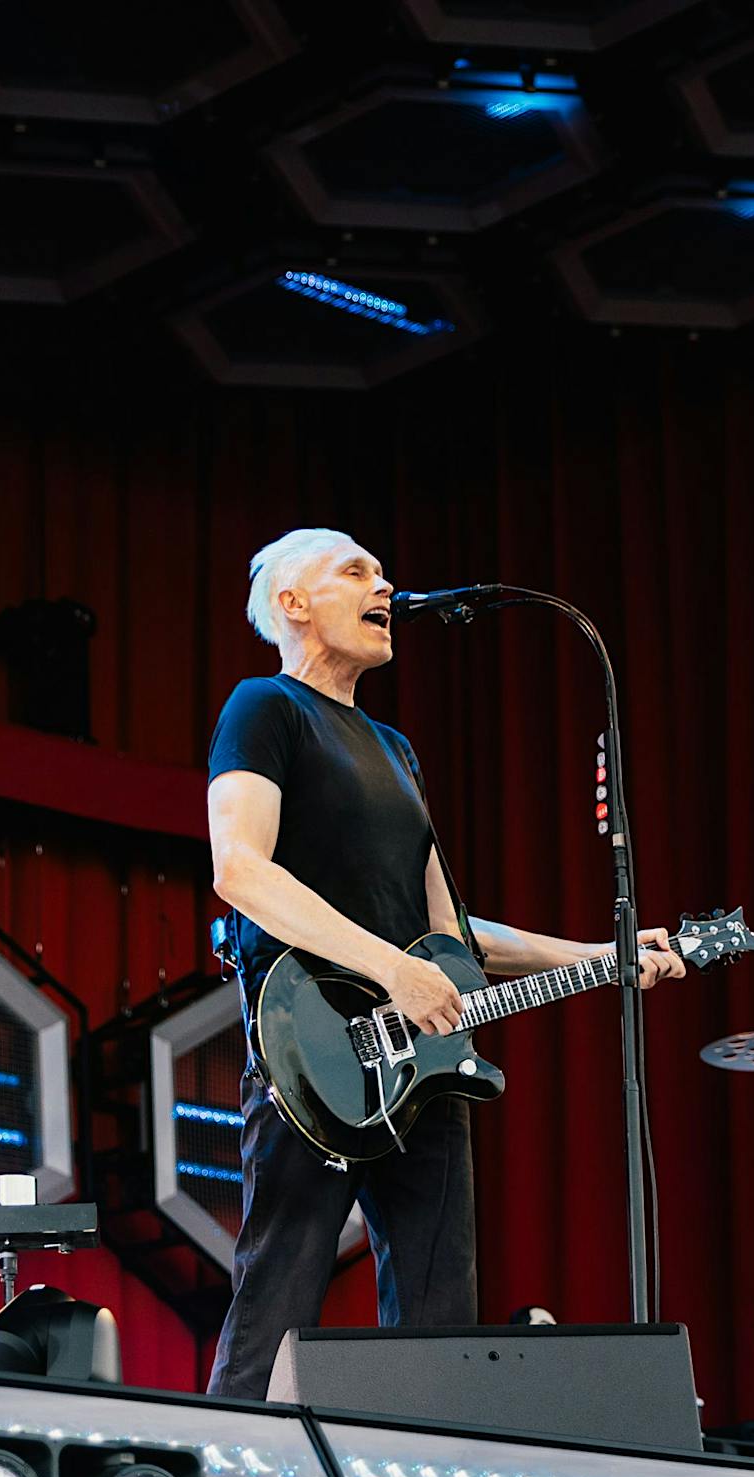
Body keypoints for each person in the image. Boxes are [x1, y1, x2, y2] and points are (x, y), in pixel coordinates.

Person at [204, 527, 684, 1398]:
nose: (385, 585)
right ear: (293, 603)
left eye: (386, 571)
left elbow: (451, 938)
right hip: (314, 1052)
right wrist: (392, 969)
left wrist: (601, 955)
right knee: (277, 1294)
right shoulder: (264, 708)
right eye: (357, 572)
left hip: (422, 1062)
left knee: (440, 1317)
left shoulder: (396, 750)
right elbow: (240, 870)